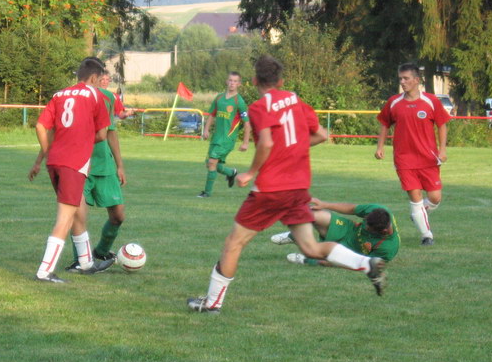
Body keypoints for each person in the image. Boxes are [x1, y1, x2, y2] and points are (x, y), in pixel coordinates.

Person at [187, 55, 386, 313]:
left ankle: (212, 303)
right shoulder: (295, 100)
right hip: (298, 187)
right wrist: (291, 150)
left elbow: (267, 142)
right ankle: (366, 264)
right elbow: (322, 134)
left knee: (233, 244)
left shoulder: (260, 106)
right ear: (281, 81)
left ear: (254, 80)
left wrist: (251, 172)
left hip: (271, 189)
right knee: (310, 248)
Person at [29, 58, 111, 283]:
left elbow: (41, 126)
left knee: (78, 211)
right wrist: (82, 140)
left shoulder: (59, 95)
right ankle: (44, 271)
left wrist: (47, 153)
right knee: (65, 217)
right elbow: (102, 134)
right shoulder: (96, 95)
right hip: (74, 163)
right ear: (94, 78)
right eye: (100, 79)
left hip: (55, 161)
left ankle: (86, 262)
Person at [375, 63, 450, 246]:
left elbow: (442, 125)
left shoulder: (431, 101)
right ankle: (427, 236)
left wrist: (442, 149)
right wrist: (380, 146)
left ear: (416, 80)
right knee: (415, 198)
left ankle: (419, 214)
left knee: (435, 198)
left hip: (428, 158)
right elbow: (384, 124)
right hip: (404, 159)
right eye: (400, 78)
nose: (402, 82)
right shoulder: (394, 102)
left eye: (406, 78)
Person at [65, 70, 127, 274]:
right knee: (78, 215)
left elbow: (111, 133)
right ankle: (79, 261)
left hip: (105, 165)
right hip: (80, 164)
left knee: (118, 216)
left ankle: (100, 252)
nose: (103, 79)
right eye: (100, 76)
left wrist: (119, 165)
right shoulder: (72, 96)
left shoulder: (108, 98)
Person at [270, 197, 400, 266]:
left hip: (351, 251)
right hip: (349, 230)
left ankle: (307, 255)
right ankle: (297, 236)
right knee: (312, 214)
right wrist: (325, 205)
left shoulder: (388, 249)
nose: (365, 227)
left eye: (369, 229)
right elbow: (352, 209)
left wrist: (308, 261)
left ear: (383, 231)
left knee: (327, 256)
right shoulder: (378, 210)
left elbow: (360, 264)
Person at [197, 72, 252, 198]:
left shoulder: (239, 101)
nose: (232, 83)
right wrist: (206, 130)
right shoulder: (219, 98)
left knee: (212, 162)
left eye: (235, 81)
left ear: (239, 84)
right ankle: (231, 173)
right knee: (210, 163)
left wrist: (245, 143)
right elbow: (212, 115)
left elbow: (247, 123)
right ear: (227, 81)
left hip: (228, 139)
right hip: (216, 137)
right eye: (230, 80)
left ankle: (207, 193)